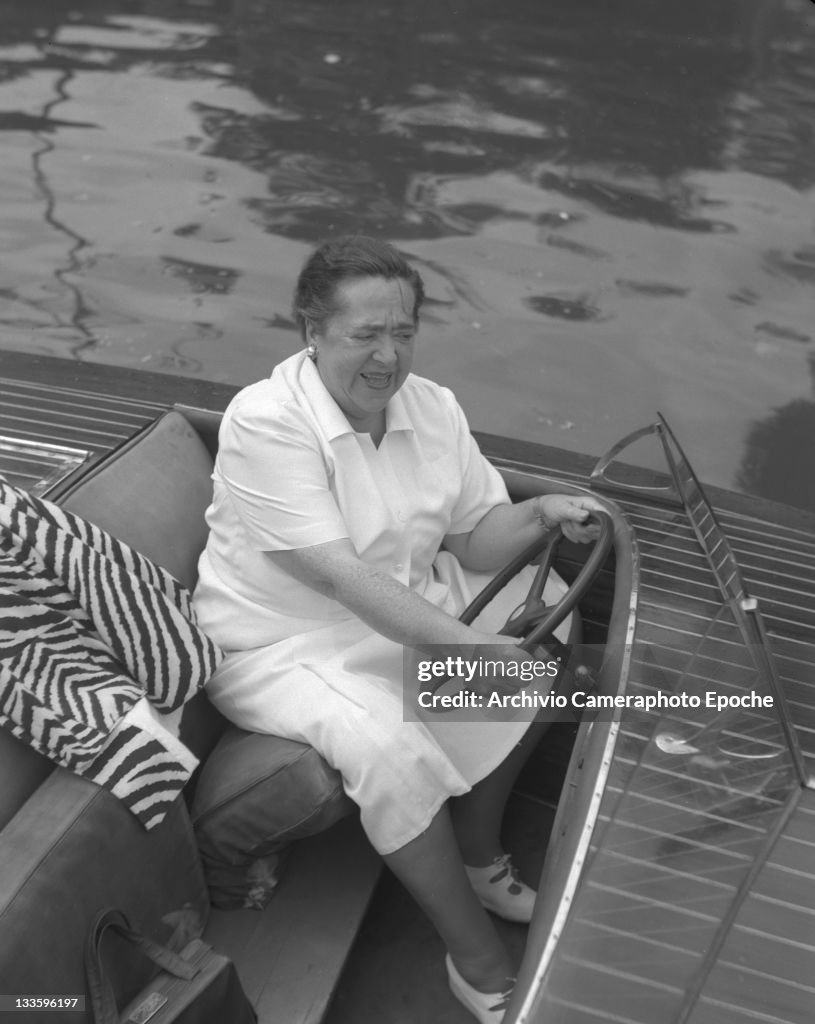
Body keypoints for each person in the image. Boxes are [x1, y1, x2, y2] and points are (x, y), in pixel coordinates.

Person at [193, 236, 603, 1023]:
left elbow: (476, 536)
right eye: (364, 336)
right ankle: (476, 964)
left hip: (398, 604)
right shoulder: (265, 421)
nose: (387, 357)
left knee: (547, 601)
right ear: (310, 331)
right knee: (386, 743)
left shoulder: (431, 405)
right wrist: (479, 652)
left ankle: (480, 853)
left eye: (403, 333)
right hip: (283, 644)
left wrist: (539, 513)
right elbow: (341, 576)